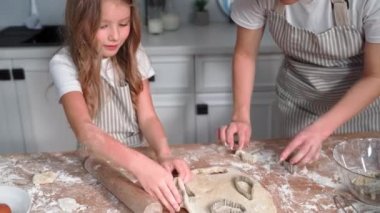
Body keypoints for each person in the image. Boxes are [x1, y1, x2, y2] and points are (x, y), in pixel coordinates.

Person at [49, 0, 191, 212]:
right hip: (96, 165)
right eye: (103, 26)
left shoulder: (135, 54)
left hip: (139, 160)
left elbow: (148, 117)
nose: (115, 36)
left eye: (123, 24)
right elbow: (86, 132)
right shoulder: (64, 63)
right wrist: (140, 165)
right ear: (80, 22)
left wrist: (164, 153)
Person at [219, 0, 380, 166]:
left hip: (360, 110)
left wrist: (320, 130)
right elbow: (245, 54)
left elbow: (376, 77)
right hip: (298, 105)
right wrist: (241, 117)